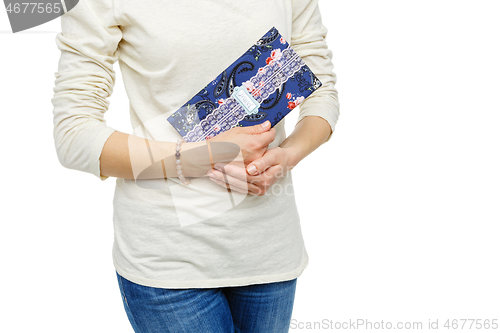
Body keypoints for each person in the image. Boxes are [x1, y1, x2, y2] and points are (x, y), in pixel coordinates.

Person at [51, 0, 340, 332]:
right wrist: (205, 155)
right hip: (169, 256)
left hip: (268, 248)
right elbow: (73, 134)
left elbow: (321, 87)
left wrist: (287, 156)